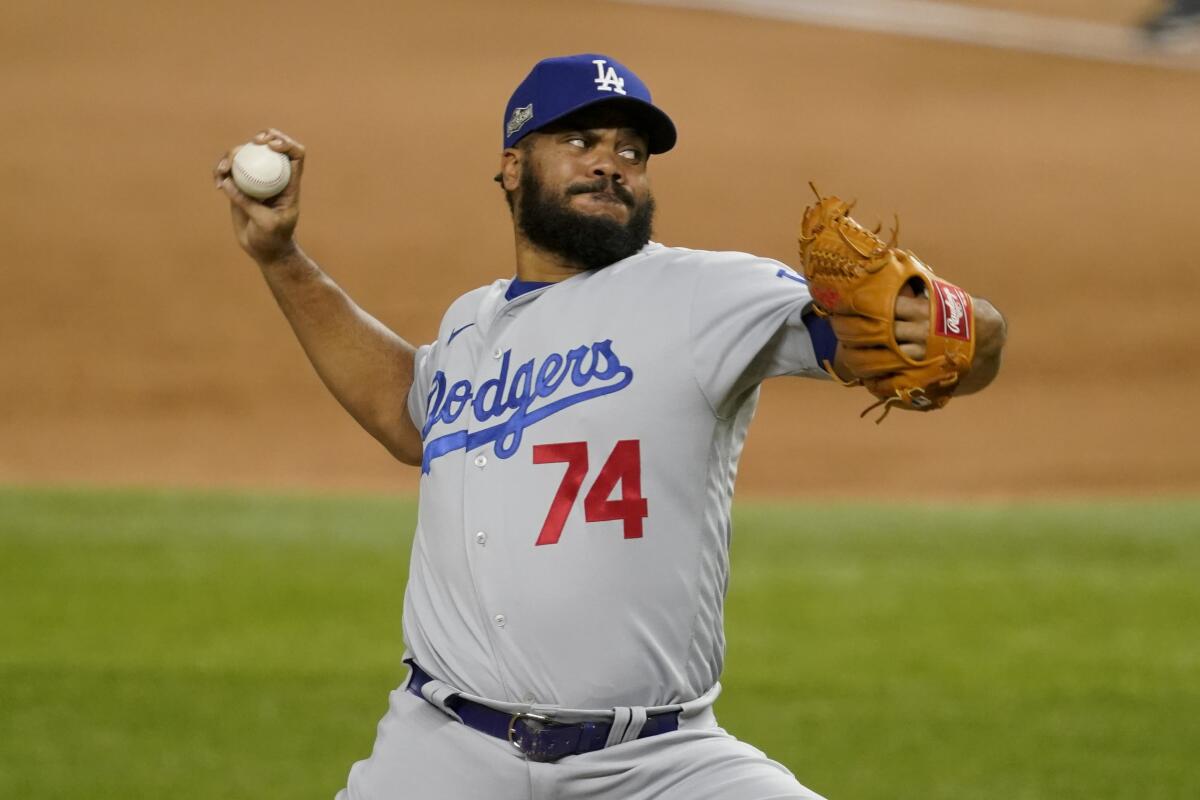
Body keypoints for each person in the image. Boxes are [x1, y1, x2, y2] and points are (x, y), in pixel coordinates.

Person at [214, 53, 1007, 800]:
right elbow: (407, 410)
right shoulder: (469, 325)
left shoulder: (705, 293)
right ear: (514, 166)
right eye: (580, 140)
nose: (611, 162)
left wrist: (953, 327)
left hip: (657, 762)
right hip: (444, 750)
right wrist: (281, 257)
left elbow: (948, 344)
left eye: (632, 150)